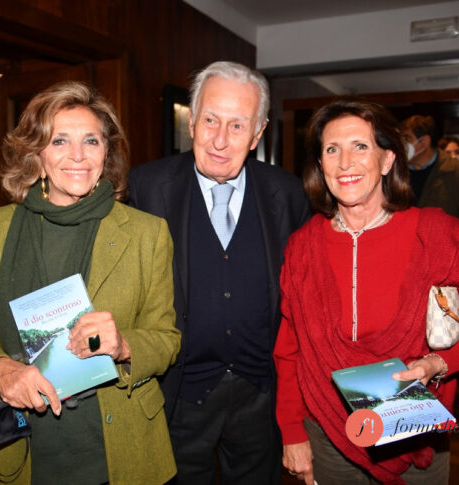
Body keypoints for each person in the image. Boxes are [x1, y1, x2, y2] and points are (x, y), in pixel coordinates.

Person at [0, 81, 181, 485]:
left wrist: (123, 345)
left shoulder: (147, 233)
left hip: (119, 450)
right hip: (26, 451)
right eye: (59, 140)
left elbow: (166, 339)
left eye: (91, 141)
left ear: (106, 152)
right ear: (36, 153)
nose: (77, 155)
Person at [129, 61, 310, 484]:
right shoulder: (147, 187)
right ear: (192, 121)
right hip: (178, 395)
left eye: (237, 125)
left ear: (257, 134)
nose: (220, 140)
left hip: (261, 397)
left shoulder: (288, 194)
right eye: (210, 120)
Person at [274, 99, 459, 485]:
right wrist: (292, 433)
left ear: (388, 160)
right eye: (332, 150)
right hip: (329, 433)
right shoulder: (302, 247)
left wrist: (439, 363)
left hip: (416, 429)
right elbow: (289, 350)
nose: (345, 163)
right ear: (320, 164)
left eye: (360, 146)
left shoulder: (437, 235)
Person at [400, 115, 459, 218]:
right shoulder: (396, 172)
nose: (402, 144)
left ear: (424, 142)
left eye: (407, 139)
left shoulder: (454, 170)